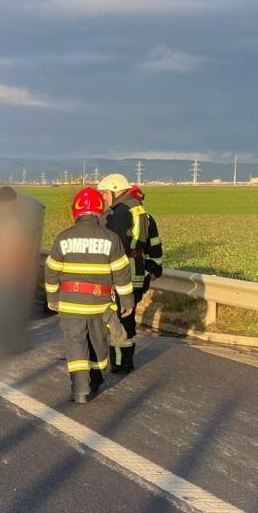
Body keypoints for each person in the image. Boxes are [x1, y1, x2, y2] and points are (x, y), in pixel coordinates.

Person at [45, 186, 134, 404]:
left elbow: (51, 270)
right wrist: (127, 301)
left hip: (70, 305)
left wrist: (52, 298)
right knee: (98, 344)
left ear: (76, 210)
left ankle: (80, 390)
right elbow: (122, 272)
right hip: (99, 304)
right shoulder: (111, 239)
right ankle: (95, 380)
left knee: (75, 344)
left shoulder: (63, 238)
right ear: (99, 210)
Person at [95, 173, 160, 374]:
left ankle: (119, 360)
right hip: (138, 272)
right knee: (127, 315)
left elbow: (112, 247)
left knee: (116, 317)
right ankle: (125, 359)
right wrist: (154, 268)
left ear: (115, 191)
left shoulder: (117, 214)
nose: (104, 198)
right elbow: (155, 245)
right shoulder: (143, 214)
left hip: (120, 274)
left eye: (105, 194)